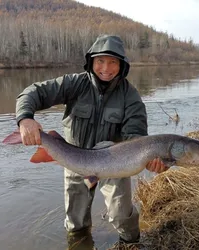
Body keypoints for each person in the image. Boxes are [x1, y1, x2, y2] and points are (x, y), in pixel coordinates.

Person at [15, 34, 169, 249]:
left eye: (113, 62)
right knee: (75, 223)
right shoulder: (75, 84)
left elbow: (136, 139)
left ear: (122, 65)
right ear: (91, 62)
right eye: (100, 61)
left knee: (121, 216)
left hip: (115, 164)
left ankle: (131, 244)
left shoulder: (130, 96)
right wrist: (25, 119)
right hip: (75, 161)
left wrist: (151, 160)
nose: (106, 68)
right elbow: (33, 92)